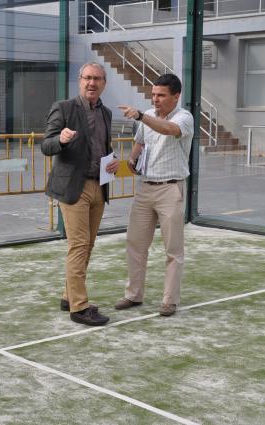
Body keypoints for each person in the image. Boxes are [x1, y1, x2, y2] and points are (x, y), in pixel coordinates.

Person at [41, 62, 120, 326]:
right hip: (74, 188)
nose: (91, 83)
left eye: (97, 78)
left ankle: (69, 296)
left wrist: (112, 161)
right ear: (79, 80)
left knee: (88, 245)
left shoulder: (106, 113)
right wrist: (61, 140)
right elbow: (46, 145)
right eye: (87, 78)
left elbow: (102, 147)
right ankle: (79, 307)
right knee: (79, 245)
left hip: (99, 185)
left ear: (104, 83)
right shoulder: (63, 108)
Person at [115, 74, 194, 317]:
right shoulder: (149, 115)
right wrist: (132, 159)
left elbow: (168, 130)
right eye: (153, 95)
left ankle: (169, 301)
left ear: (176, 96)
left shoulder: (184, 117)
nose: (155, 99)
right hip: (145, 189)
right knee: (135, 244)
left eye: (161, 95)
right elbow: (140, 143)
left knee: (173, 249)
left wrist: (141, 116)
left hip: (171, 189)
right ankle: (133, 294)